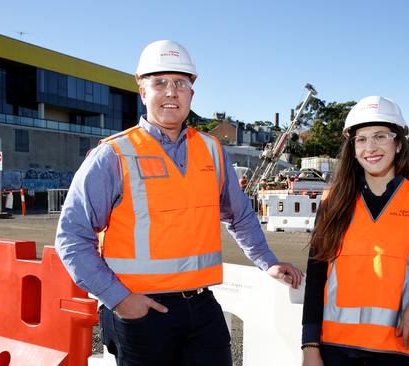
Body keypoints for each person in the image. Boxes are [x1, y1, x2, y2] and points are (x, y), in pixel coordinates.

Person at [55, 39, 302, 366]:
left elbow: (239, 215)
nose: (171, 92)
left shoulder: (212, 150)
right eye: (159, 83)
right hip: (141, 314)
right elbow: (71, 236)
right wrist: (120, 300)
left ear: (191, 94)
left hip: (201, 308)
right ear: (142, 91)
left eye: (180, 83)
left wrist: (266, 261)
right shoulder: (112, 155)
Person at [301, 96, 409, 366]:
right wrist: (310, 345)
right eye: (362, 139)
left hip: (398, 350)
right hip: (335, 350)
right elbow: (316, 275)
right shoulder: (332, 202)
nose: (371, 147)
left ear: (398, 143)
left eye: (380, 136)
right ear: (353, 148)